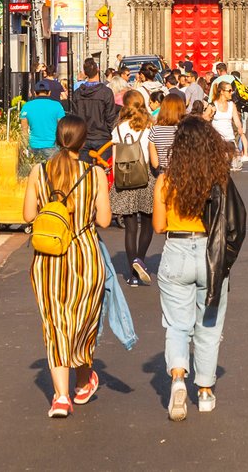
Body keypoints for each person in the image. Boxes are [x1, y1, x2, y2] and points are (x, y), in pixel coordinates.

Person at [24, 114, 111, 419]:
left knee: (55, 324)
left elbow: (27, 215)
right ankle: (84, 378)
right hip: (84, 257)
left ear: (57, 138)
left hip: (48, 259)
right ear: (83, 141)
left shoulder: (39, 171)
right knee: (83, 322)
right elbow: (103, 221)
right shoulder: (94, 174)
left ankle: (61, 396)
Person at [153, 117, 240, 421]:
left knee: (177, 325)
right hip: (210, 254)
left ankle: (178, 378)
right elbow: (233, 222)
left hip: (176, 251)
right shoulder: (218, 178)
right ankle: (204, 391)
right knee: (209, 326)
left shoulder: (166, 180)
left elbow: (159, 225)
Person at [110, 94, 160, 286]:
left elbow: (115, 157)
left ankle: (132, 274)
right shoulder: (149, 127)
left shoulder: (118, 128)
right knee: (146, 225)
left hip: (125, 176)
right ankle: (140, 260)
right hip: (146, 176)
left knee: (130, 228)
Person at [21, 82, 65, 158]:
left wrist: (24, 146)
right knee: (51, 169)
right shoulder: (57, 106)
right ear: (49, 93)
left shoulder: (27, 106)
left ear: (35, 93)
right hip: (52, 145)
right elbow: (62, 127)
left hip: (33, 146)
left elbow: (24, 129)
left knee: (35, 169)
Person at [207, 80, 245, 167]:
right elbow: (204, 119)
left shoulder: (232, 105)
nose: (231, 93)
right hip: (217, 141)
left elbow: (236, 120)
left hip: (229, 139)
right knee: (218, 165)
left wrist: (240, 129)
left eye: (232, 90)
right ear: (222, 92)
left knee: (228, 166)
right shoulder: (213, 105)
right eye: (229, 91)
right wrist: (211, 114)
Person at [150, 93, 184, 172]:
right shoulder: (185, 130)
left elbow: (155, 163)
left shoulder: (155, 130)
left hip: (163, 175)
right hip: (182, 175)